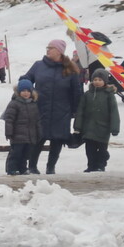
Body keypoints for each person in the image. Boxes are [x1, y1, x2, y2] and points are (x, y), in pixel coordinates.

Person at [23, 39, 84, 175]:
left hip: (61, 112)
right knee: (38, 139)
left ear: (59, 51)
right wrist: (26, 89)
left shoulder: (70, 69)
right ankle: (32, 166)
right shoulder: (38, 66)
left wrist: (75, 111)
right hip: (40, 110)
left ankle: (51, 168)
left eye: (50, 48)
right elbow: (26, 79)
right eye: (47, 47)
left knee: (57, 140)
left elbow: (76, 92)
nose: (48, 50)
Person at [75, 66, 122, 173]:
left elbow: (114, 112)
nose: (97, 82)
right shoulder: (87, 95)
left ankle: (101, 165)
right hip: (89, 127)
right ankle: (91, 165)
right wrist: (77, 126)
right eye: (95, 80)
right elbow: (81, 111)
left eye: (100, 80)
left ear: (105, 81)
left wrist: (115, 128)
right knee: (89, 149)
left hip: (103, 127)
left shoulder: (108, 95)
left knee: (102, 149)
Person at [1, 77, 42, 175]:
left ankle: (23, 168)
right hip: (17, 135)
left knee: (26, 154)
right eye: (23, 91)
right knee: (16, 153)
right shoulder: (14, 104)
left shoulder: (33, 104)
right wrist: (9, 133)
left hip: (30, 135)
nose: (26, 93)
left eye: (28, 91)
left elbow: (37, 120)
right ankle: (11, 168)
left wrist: (39, 132)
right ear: (19, 92)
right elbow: (9, 119)